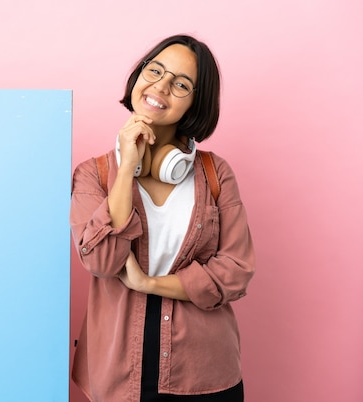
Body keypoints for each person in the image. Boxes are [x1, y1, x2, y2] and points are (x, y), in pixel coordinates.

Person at [69, 34, 256, 402]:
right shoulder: (94, 175)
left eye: (181, 84)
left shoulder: (215, 173)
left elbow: (236, 270)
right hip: (118, 377)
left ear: (195, 103)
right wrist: (126, 171)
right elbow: (103, 261)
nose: (162, 86)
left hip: (204, 375)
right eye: (155, 70)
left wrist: (148, 284)